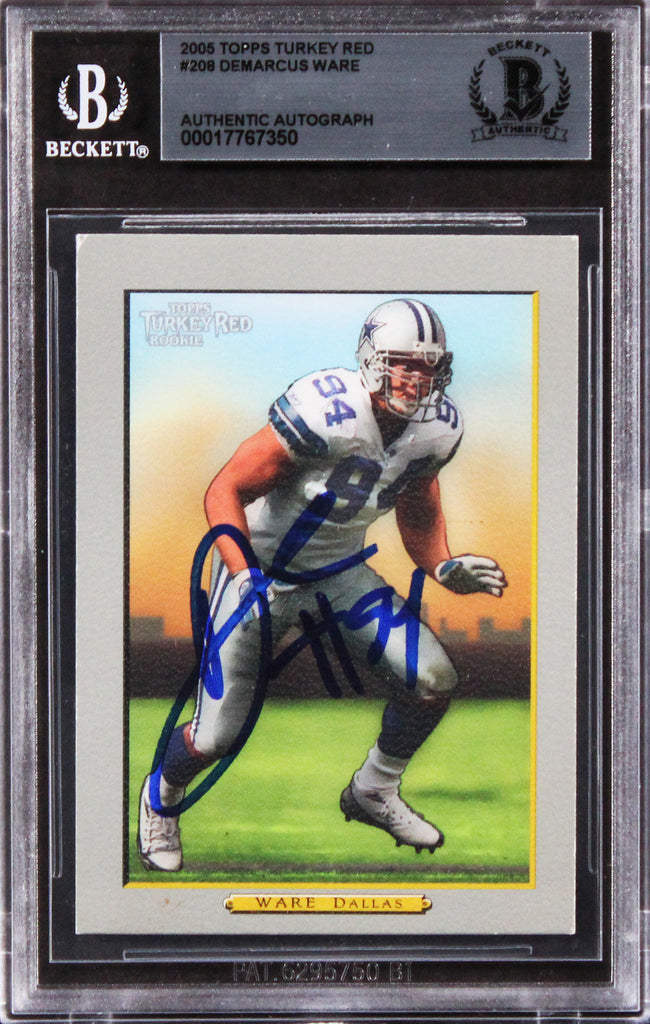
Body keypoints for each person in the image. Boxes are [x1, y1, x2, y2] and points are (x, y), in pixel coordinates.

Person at [137, 298, 507, 872]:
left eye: (429, 367)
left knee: (434, 678)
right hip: (259, 572)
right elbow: (225, 489)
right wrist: (242, 572)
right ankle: (160, 797)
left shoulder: (437, 429)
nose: (417, 380)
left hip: (339, 573)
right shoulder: (324, 411)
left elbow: (417, 501)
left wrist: (440, 565)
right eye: (404, 364)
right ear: (372, 360)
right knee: (214, 738)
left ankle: (373, 789)